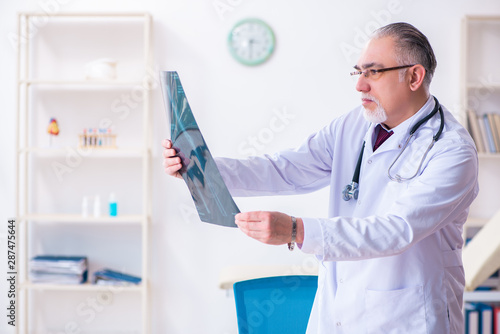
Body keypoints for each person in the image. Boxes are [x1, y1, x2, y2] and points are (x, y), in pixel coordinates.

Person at [162, 22, 478, 334]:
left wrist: (297, 230)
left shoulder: (452, 150)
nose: (360, 85)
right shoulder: (354, 125)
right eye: (359, 72)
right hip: (338, 312)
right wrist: (201, 166)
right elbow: (283, 169)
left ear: (414, 76)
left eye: (373, 72)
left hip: (407, 317)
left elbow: (397, 229)